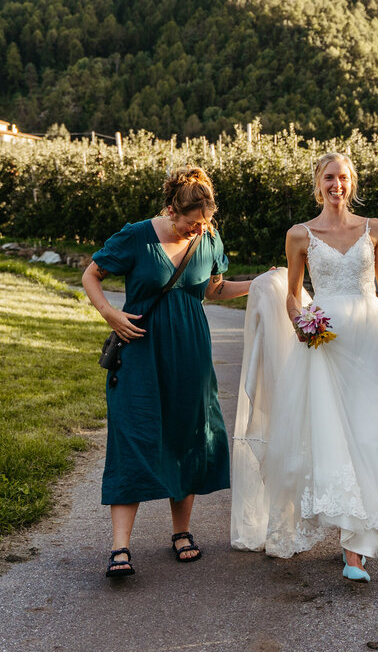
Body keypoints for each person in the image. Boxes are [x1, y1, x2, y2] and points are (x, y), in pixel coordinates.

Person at [230, 153, 378, 582]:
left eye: (343, 177)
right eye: (329, 177)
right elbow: (293, 296)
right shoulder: (300, 235)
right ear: (318, 183)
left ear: (352, 183)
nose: (336, 185)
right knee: (331, 437)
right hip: (324, 344)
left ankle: (357, 539)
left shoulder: (376, 229)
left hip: (369, 344)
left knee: (370, 436)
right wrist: (300, 323)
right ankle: (353, 551)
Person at [82, 166, 252, 578]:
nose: (199, 230)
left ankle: (181, 532)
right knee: (132, 436)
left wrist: (261, 283)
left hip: (191, 353)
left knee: (187, 435)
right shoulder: (137, 236)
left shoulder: (208, 238)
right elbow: (91, 274)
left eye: (205, 222)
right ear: (172, 210)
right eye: (192, 223)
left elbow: (213, 289)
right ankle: (120, 547)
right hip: (140, 351)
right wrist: (109, 313)